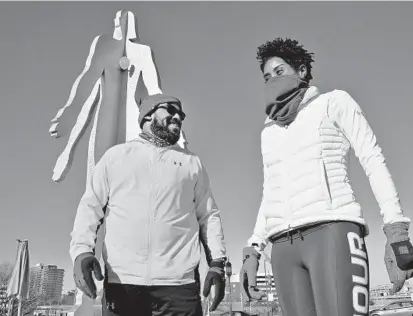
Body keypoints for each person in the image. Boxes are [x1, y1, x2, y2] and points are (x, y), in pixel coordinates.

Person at [241, 37, 413, 316]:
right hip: (282, 247)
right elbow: (269, 192)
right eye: (267, 76)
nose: (273, 80)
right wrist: (253, 248)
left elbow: (373, 159)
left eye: (280, 71)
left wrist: (396, 232)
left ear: (303, 70)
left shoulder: (334, 102)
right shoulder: (268, 132)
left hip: (332, 232)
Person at [69, 93, 227, 316]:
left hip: (180, 286)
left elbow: (208, 215)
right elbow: (90, 208)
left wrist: (217, 265)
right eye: (170, 110)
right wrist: (81, 253)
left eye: (180, 114)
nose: (178, 116)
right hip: (122, 284)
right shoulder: (116, 156)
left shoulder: (191, 162)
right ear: (147, 115)